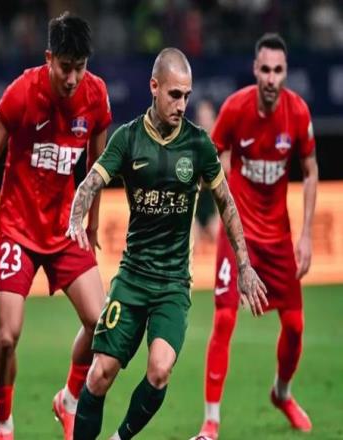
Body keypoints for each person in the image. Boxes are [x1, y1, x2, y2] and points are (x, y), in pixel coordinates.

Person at [67, 47, 267, 440]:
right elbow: (91, 182)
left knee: (159, 370)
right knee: (101, 372)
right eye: (175, 94)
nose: (181, 104)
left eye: (187, 96)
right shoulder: (128, 139)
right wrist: (77, 216)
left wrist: (244, 265)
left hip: (173, 284)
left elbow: (226, 203)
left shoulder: (198, 145)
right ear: (154, 87)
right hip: (132, 278)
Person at [0, 12, 112, 440]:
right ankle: (4, 424)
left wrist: (93, 223)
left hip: (66, 229)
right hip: (19, 229)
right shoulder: (21, 94)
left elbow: (98, 166)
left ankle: (68, 400)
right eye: (65, 67)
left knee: (101, 324)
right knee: (7, 337)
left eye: (80, 67)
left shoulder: (96, 95)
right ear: (49, 58)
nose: (72, 77)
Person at [195, 33, 318, 440]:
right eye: (264, 69)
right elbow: (209, 160)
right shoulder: (235, 108)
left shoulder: (297, 113)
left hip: (279, 239)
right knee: (224, 318)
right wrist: (205, 210)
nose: (270, 77)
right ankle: (211, 421)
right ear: (255, 70)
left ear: (285, 73)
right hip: (238, 235)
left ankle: (281, 393)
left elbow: (311, 170)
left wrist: (306, 235)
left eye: (277, 70)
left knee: (295, 327)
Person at [194, 99, 219, 243]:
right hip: (194, 210)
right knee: (191, 241)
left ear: (214, 120)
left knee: (219, 233)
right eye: (201, 118)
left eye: (207, 118)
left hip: (215, 208)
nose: (205, 122)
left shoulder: (222, 146)